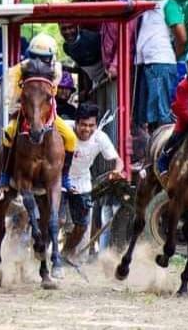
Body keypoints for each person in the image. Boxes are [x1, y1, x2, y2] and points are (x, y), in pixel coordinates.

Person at [0, 33, 77, 192]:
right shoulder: (21, 69)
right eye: (35, 57)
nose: (39, 62)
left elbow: (51, 91)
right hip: (26, 112)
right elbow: (10, 91)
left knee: (71, 138)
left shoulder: (56, 69)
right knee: (9, 132)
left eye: (44, 58)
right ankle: (5, 173)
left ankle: (65, 176)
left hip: (48, 114)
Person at [62, 103, 123, 260]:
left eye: (91, 125)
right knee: (56, 220)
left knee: (81, 226)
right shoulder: (64, 129)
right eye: (83, 125)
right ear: (76, 123)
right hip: (59, 180)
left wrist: (117, 171)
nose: (87, 130)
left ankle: (65, 254)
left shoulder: (100, 137)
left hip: (82, 183)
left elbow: (118, 160)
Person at [131, 0, 186, 132]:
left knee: (162, 113)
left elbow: (182, 37)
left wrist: (173, 55)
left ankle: (163, 152)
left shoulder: (170, 5)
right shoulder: (148, 0)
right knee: (145, 115)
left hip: (161, 62)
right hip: (148, 63)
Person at [59, 22, 105, 92]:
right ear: (60, 31)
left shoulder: (92, 39)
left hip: (108, 76)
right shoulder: (66, 48)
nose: (67, 32)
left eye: (70, 27)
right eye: (64, 29)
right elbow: (83, 69)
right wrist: (86, 89)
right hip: (95, 81)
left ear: (77, 26)